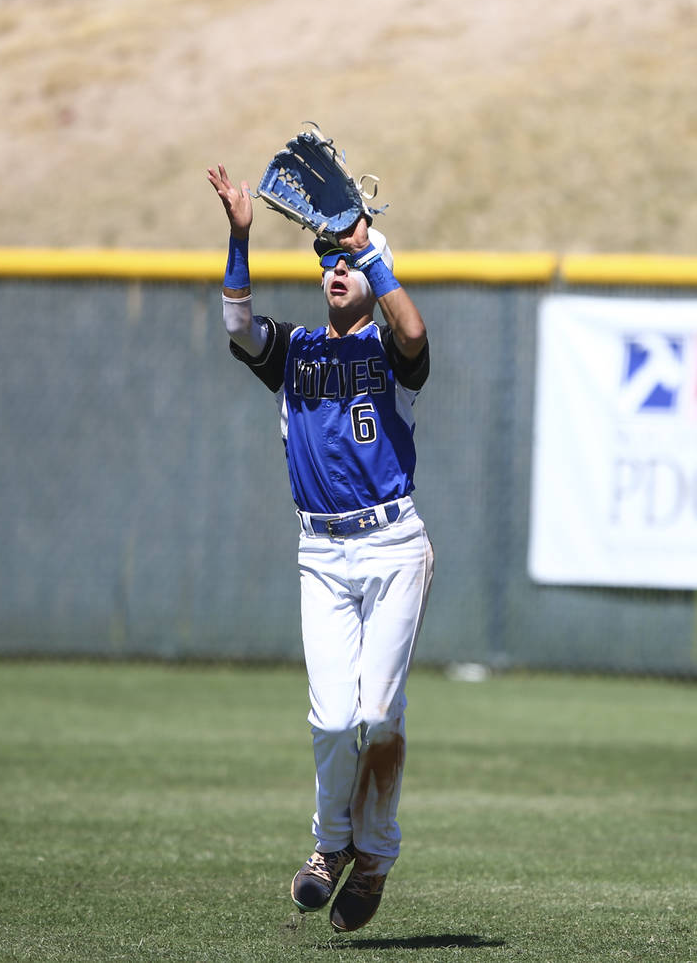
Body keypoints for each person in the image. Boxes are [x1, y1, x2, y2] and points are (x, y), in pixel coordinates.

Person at [207, 162, 434, 934]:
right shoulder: (297, 350)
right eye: (326, 260)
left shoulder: (389, 354)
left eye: (348, 262)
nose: (334, 269)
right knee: (334, 719)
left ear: (372, 273)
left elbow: (413, 332)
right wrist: (239, 237)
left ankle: (369, 855)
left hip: (394, 546)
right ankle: (332, 847)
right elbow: (239, 326)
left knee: (379, 712)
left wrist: (370, 250)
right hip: (321, 554)